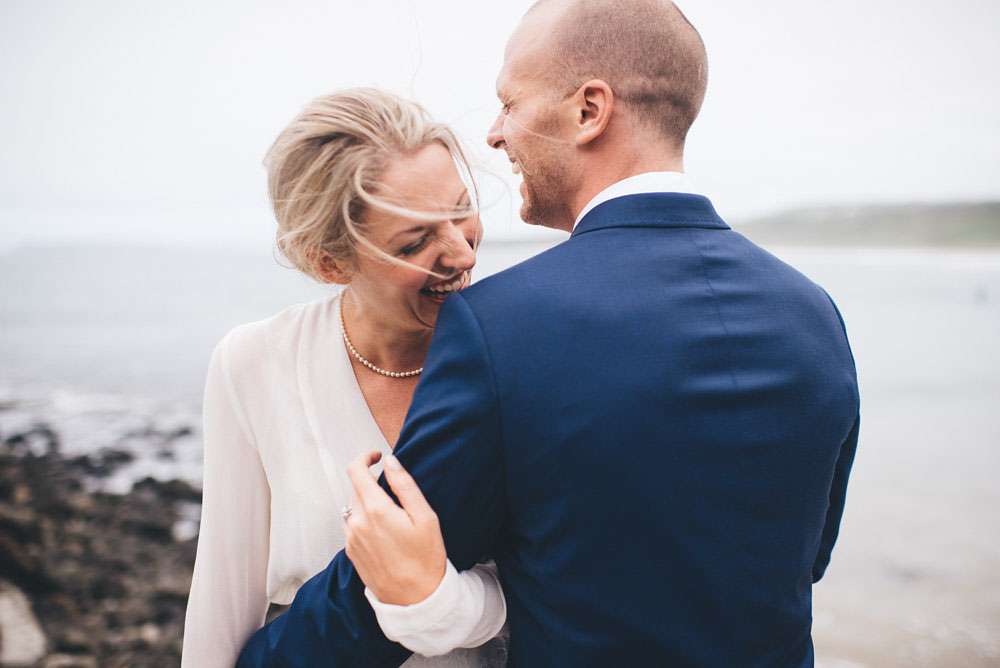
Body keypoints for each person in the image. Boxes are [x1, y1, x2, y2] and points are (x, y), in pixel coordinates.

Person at [237, 0, 861, 666]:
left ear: (589, 110)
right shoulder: (814, 315)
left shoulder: (499, 326)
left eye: (510, 102)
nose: (495, 134)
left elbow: (387, 572)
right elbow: (807, 556)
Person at [181, 88, 509, 667]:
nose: (461, 253)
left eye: (461, 210)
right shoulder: (255, 362)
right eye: (415, 241)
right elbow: (222, 598)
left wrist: (434, 601)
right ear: (328, 263)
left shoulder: (519, 349)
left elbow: (560, 585)